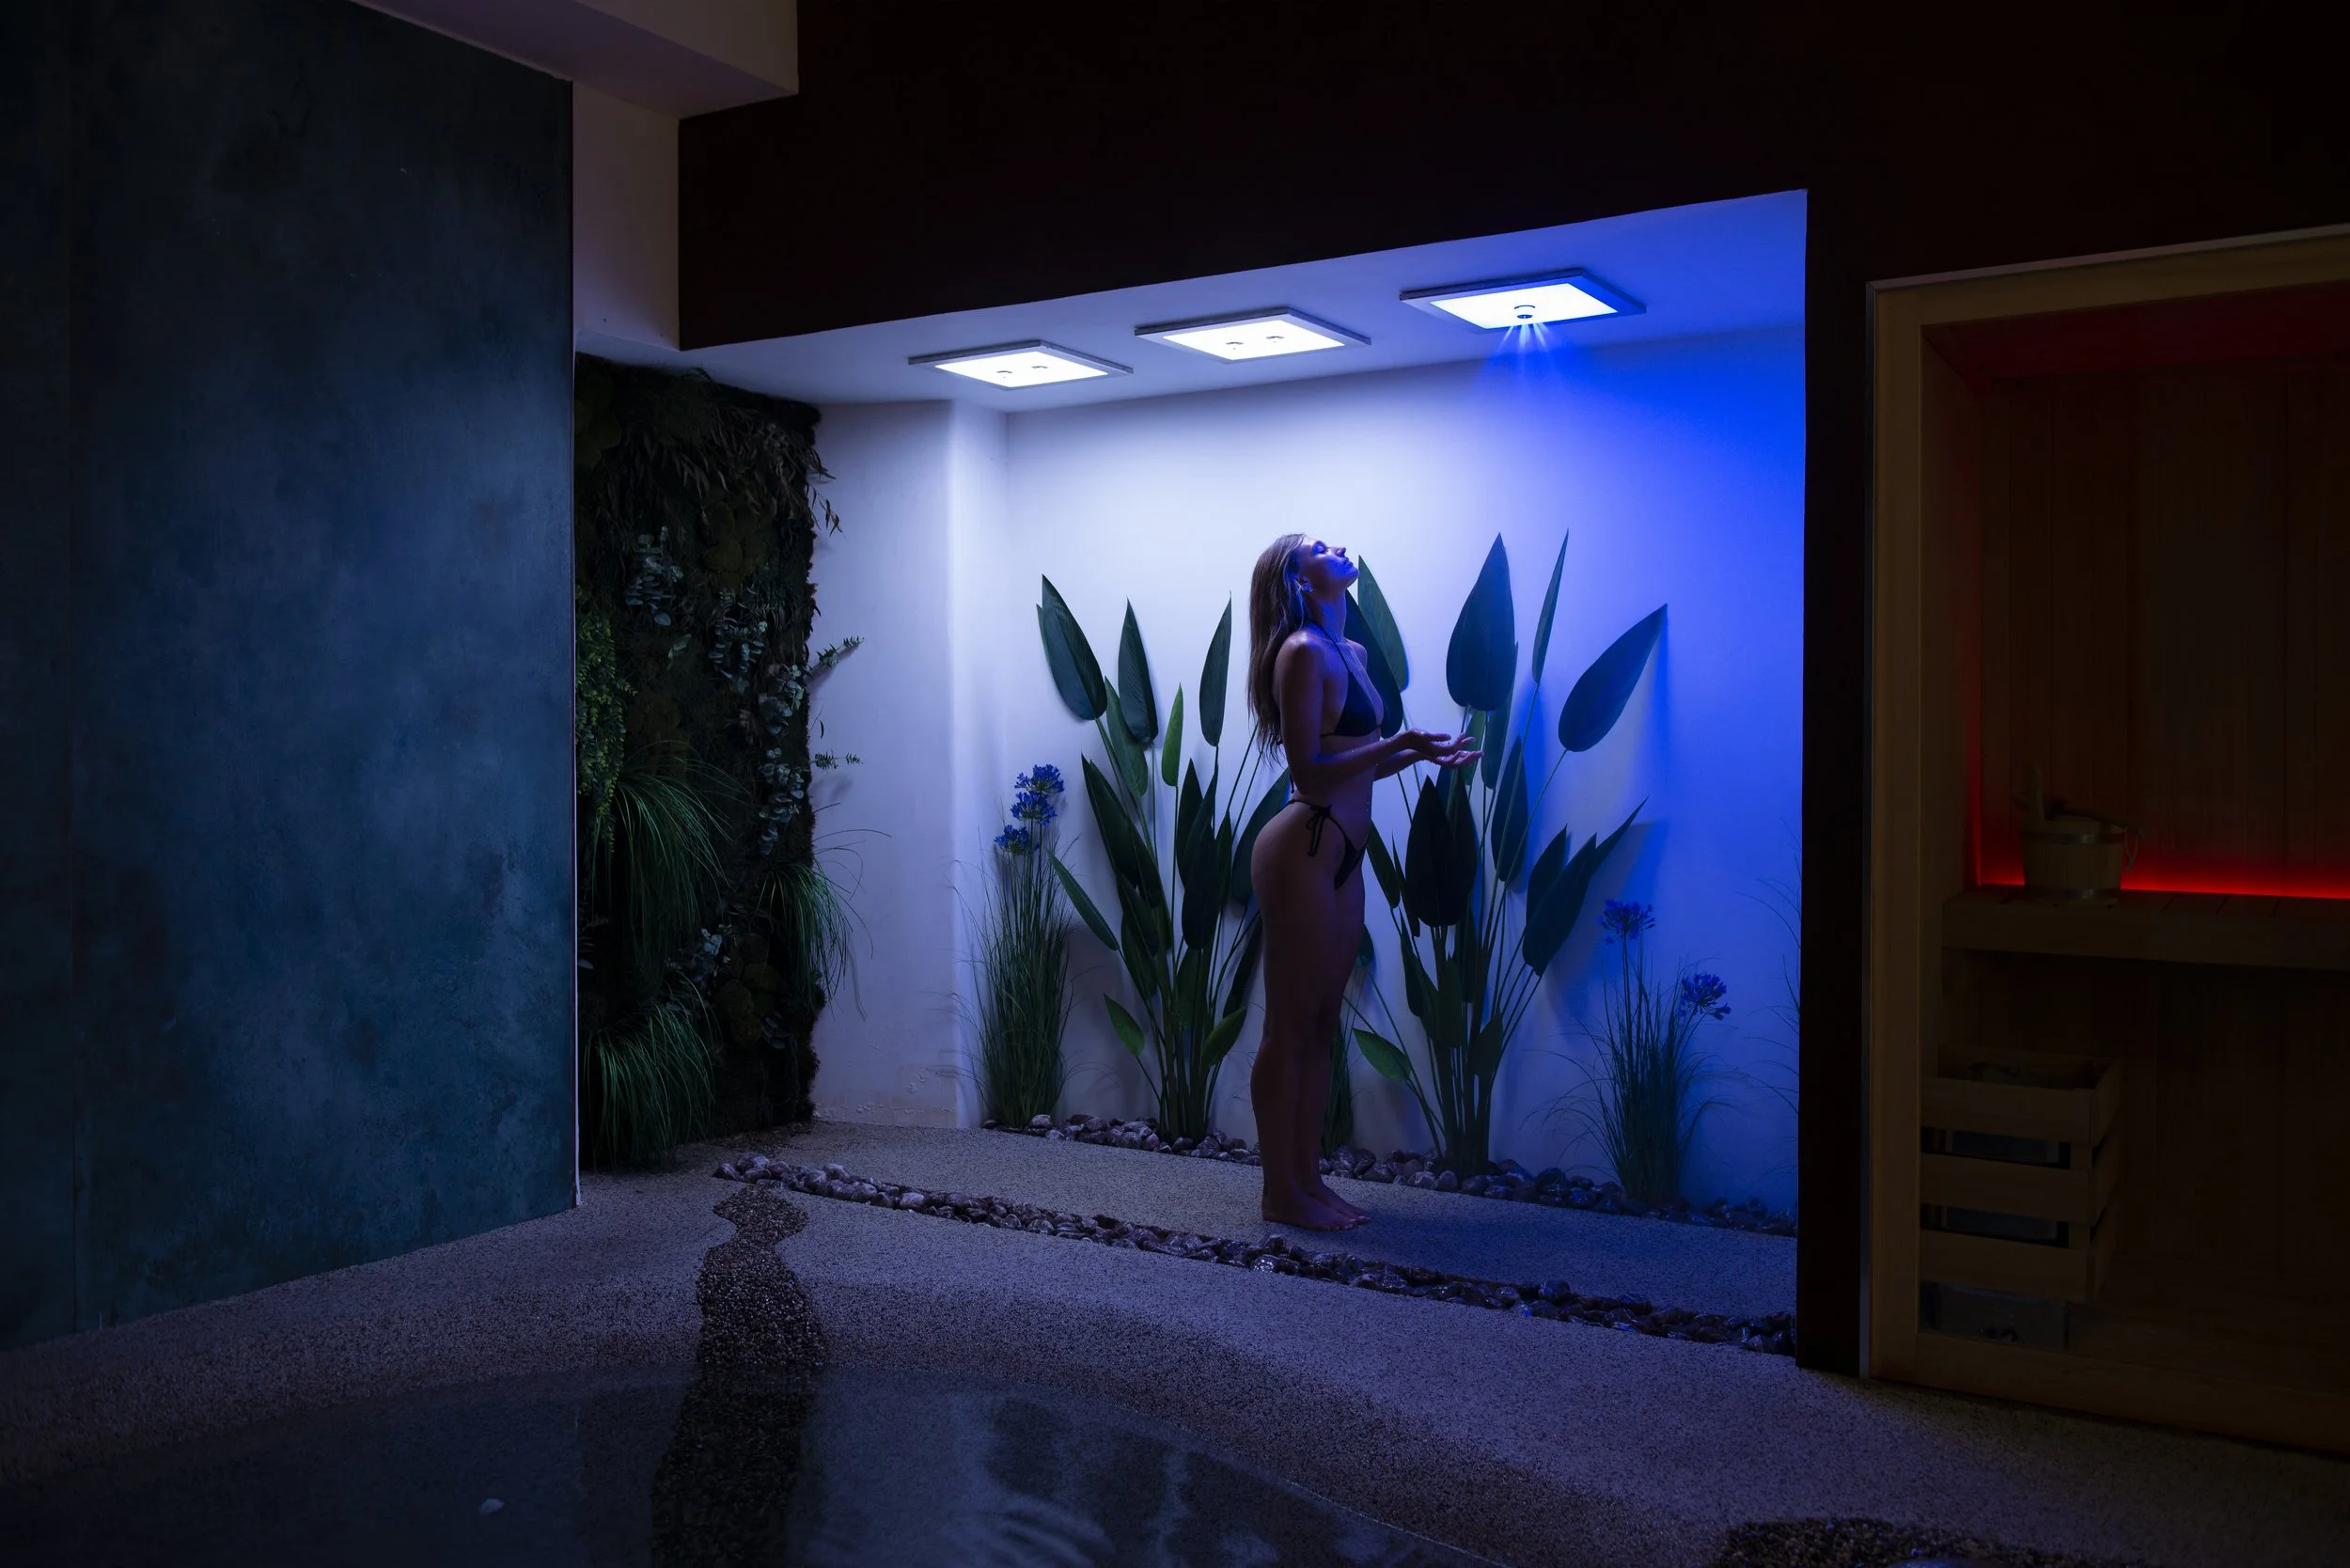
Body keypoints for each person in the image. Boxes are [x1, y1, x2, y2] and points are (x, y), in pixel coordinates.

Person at [1245, 534, 1478, 1230]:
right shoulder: (1300, 653)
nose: (1338, 545)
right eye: (1319, 546)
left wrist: (1418, 754)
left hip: (1344, 851)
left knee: (1322, 1024)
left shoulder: (1352, 653)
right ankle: (1280, 1192)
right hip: (1305, 844)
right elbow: (1309, 771)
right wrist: (1400, 741)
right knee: (1289, 1026)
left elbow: (1359, 762)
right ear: (1298, 578)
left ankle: (1308, 1182)